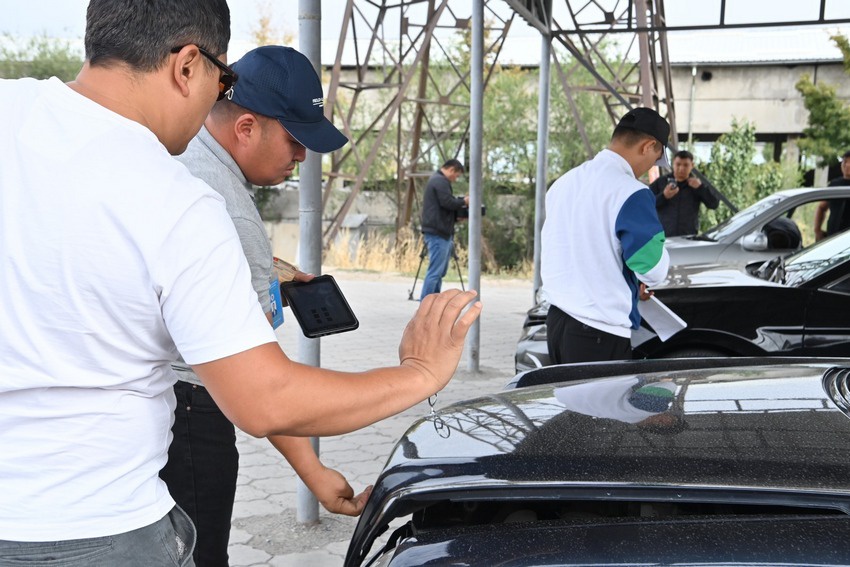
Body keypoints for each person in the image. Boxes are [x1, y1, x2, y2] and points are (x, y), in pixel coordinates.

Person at [0, 1, 482, 564]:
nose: (218, 97)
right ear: (186, 66)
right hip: (101, 523)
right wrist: (418, 374)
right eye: (222, 77)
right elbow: (263, 396)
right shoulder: (179, 200)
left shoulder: (14, 111)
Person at [158, 46, 364, 567]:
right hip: (192, 414)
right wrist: (315, 473)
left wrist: (262, 270)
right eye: (296, 140)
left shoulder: (176, 159)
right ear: (246, 127)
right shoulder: (224, 203)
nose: (302, 157)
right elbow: (257, 386)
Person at [541, 107, 671, 364]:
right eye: (656, 159)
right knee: (600, 406)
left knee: (568, 405)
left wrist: (631, 286)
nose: (649, 168)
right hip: (598, 335)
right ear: (648, 145)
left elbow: (586, 253)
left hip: (557, 324)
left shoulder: (564, 182)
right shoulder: (631, 192)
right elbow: (653, 269)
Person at [420, 159, 469, 300]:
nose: (456, 179)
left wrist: (455, 217)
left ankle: (433, 301)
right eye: (457, 175)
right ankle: (426, 304)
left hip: (440, 231)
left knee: (439, 272)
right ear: (451, 170)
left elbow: (441, 208)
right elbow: (447, 202)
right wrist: (463, 202)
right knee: (435, 272)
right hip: (438, 233)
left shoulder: (437, 180)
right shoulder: (440, 181)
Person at [649, 149, 720, 237]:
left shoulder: (697, 184)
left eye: (686, 165)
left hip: (688, 237)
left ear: (692, 165)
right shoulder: (661, 182)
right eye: (678, 164)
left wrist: (700, 188)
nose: (681, 168)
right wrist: (664, 196)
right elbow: (646, 204)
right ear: (673, 164)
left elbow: (714, 204)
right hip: (663, 236)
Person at [814, 150, 850, 241]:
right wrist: (817, 230)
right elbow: (822, 207)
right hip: (833, 237)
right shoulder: (835, 184)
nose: (847, 165)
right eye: (844, 161)